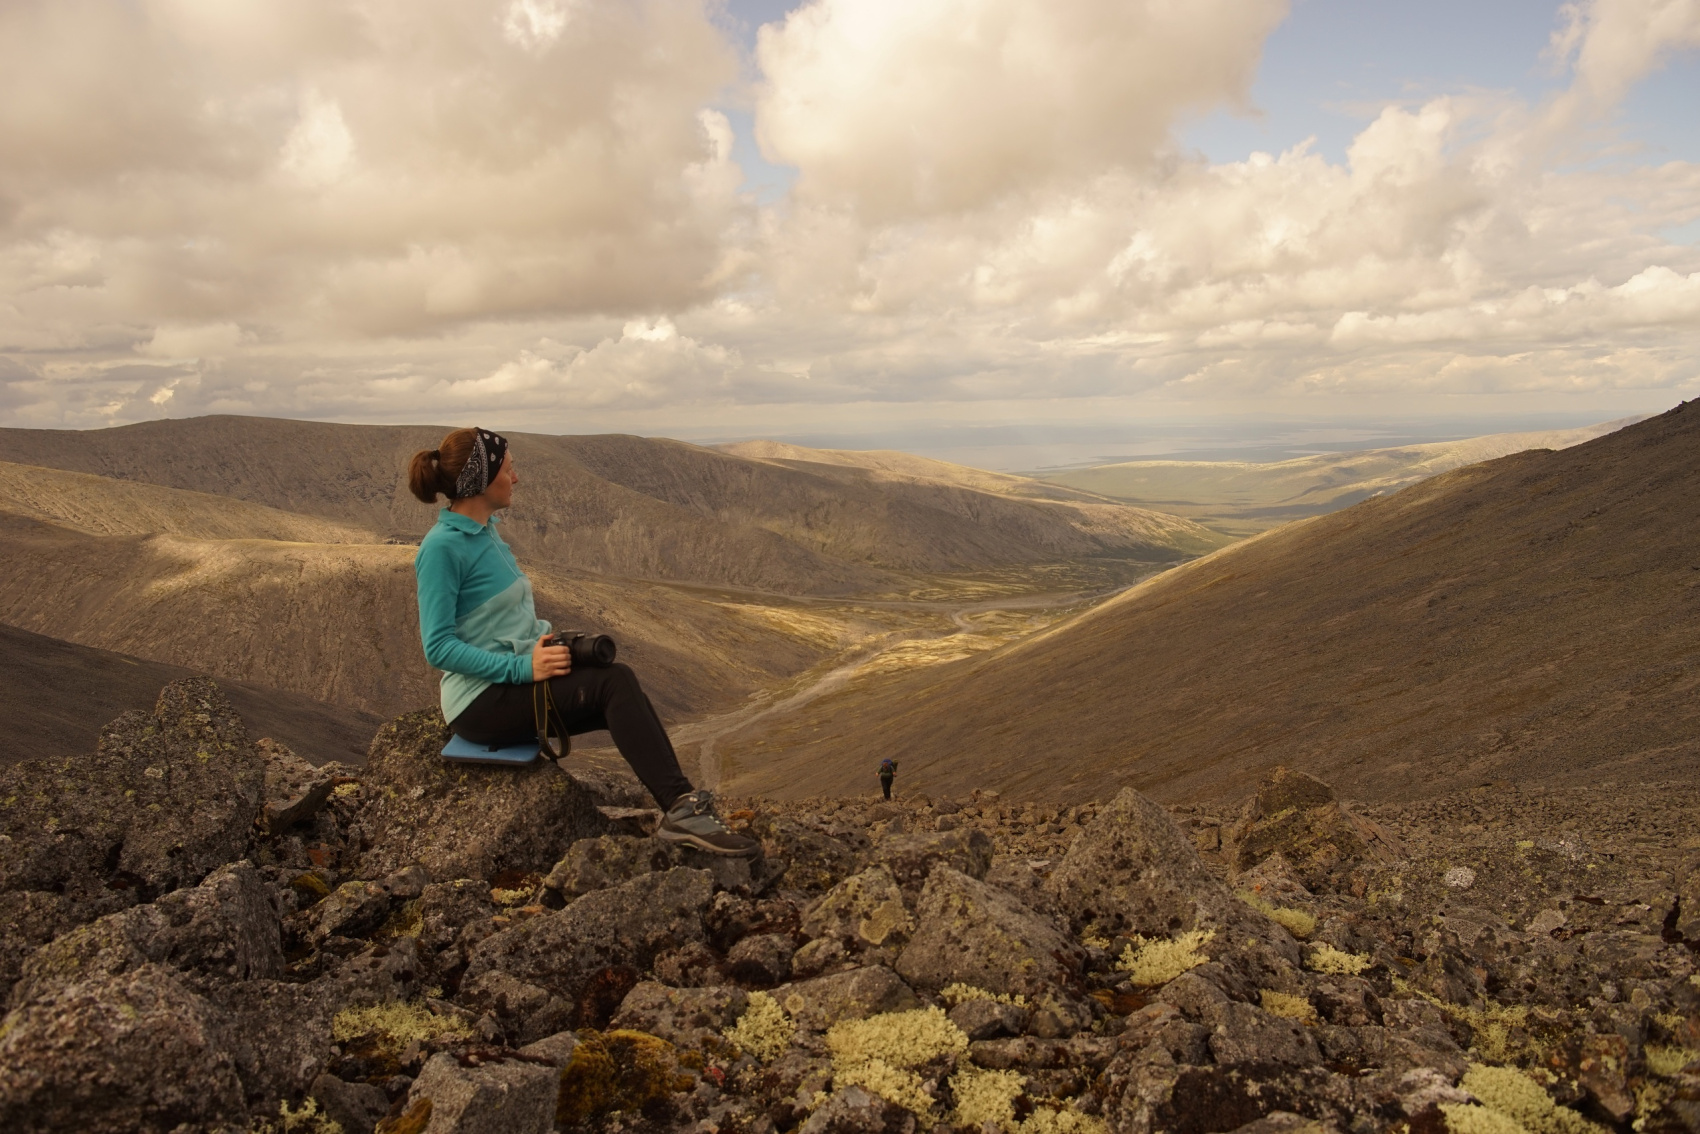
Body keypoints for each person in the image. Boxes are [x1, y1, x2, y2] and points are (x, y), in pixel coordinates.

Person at [408, 427, 757, 857]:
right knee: (614, 686)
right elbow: (438, 647)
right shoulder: (442, 548)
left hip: (510, 681)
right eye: (510, 469)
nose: (516, 479)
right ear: (483, 479)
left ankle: (682, 806)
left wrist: (548, 644)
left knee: (616, 675)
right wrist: (521, 668)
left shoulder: (486, 533)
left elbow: (497, 626)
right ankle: (682, 810)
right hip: (479, 702)